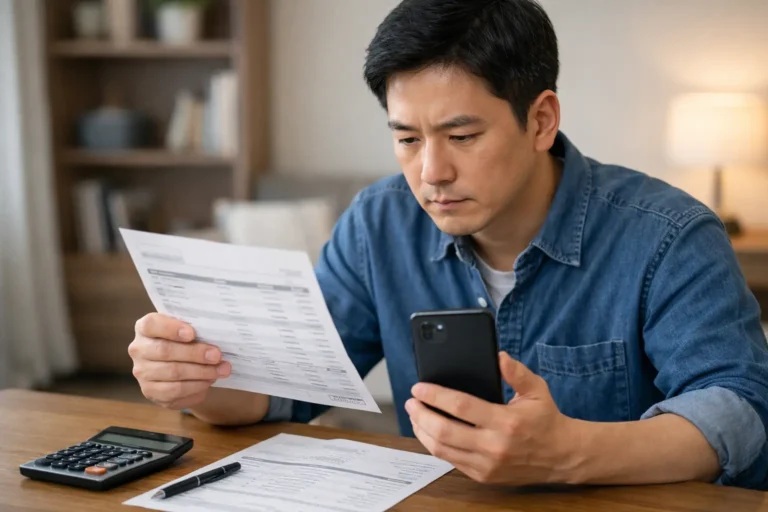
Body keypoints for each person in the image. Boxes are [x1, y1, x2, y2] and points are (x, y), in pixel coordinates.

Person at [128, 0, 768, 489]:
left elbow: (739, 411)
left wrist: (567, 452)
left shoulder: (668, 234)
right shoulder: (378, 224)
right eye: (407, 138)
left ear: (541, 119)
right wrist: (197, 382)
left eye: (461, 137)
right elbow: (289, 390)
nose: (431, 173)